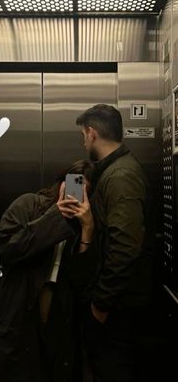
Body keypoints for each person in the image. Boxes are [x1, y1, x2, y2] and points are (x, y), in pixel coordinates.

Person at [0, 159, 96, 382]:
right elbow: (9, 246)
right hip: (17, 310)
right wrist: (55, 216)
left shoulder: (83, 223)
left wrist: (87, 230)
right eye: (74, 185)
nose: (77, 195)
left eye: (84, 190)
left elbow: (83, 282)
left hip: (58, 316)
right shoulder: (29, 204)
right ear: (61, 183)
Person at [76, 104, 154, 382]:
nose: (84, 142)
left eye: (83, 136)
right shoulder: (112, 171)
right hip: (116, 304)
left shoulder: (121, 176)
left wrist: (100, 305)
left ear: (92, 133)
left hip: (118, 309)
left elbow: (125, 247)